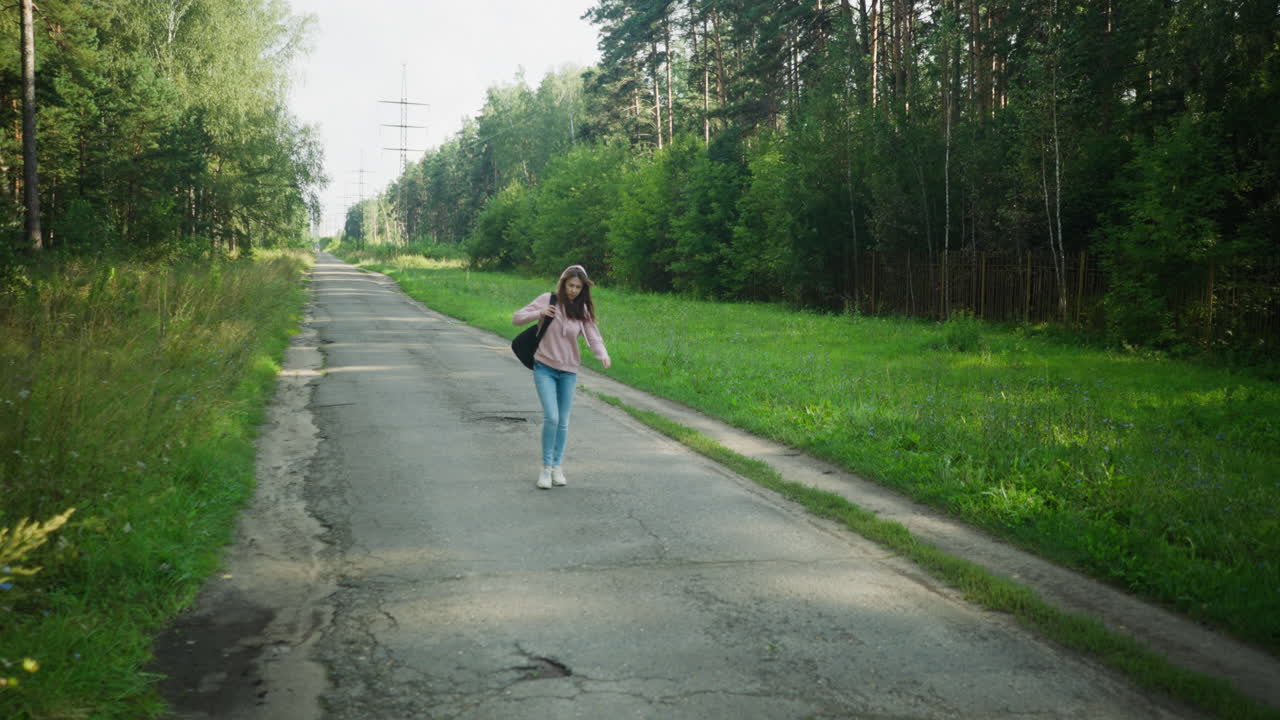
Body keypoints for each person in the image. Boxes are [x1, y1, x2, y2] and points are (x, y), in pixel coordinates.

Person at [512, 265, 611, 489]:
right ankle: (545, 469)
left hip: (569, 371)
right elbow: (516, 319)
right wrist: (539, 313)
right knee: (552, 418)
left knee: (563, 422)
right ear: (563, 283)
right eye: (571, 285)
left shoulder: (582, 309)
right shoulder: (549, 299)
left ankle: (557, 467)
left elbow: (594, 337)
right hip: (544, 367)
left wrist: (602, 354)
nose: (574, 290)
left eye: (578, 287)